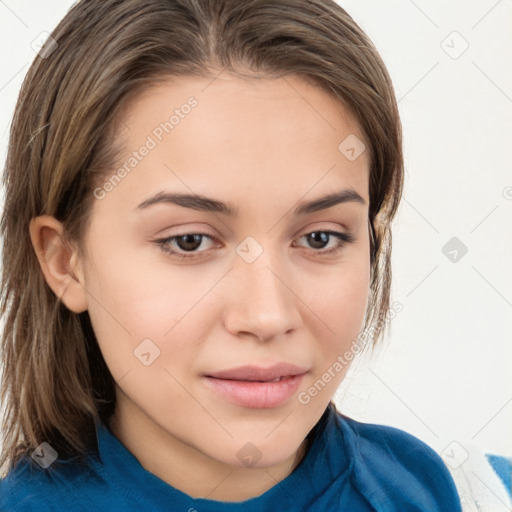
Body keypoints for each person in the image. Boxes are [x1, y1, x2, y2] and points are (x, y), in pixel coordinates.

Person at [0, 0, 462, 510]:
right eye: (189, 241)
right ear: (66, 261)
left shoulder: (426, 488)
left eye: (320, 237)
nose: (268, 316)